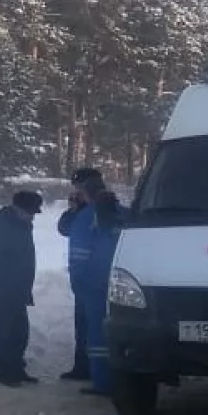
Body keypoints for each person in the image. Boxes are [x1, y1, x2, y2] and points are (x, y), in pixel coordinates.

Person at [67, 171, 123, 396]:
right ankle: (123, 376)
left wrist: (78, 282)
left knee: (97, 335)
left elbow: (79, 255)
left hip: (94, 283)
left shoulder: (86, 217)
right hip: (123, 281)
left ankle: (102, 381)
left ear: (84, 193)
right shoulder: (124, 212)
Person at [0, 189, 43, 387]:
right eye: (30, 212)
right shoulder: (4, 225)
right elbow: (2, 261)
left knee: (20, 332)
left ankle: (17, 368)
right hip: (0, 290)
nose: (32, 216)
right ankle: (5, 371)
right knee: (4, 333)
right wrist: (10, 287)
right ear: (19, 209)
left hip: (16, 289)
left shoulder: (21, 224)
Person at [56, 168, 103, 381]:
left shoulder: (99, 209)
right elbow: (64, 228)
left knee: (94, 325)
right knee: (83, 324)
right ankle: (84, 367)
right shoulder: (83, 209)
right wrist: (74, 209)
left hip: (94, 276)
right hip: (85, 278)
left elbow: (67, 228)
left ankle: (97, 370)